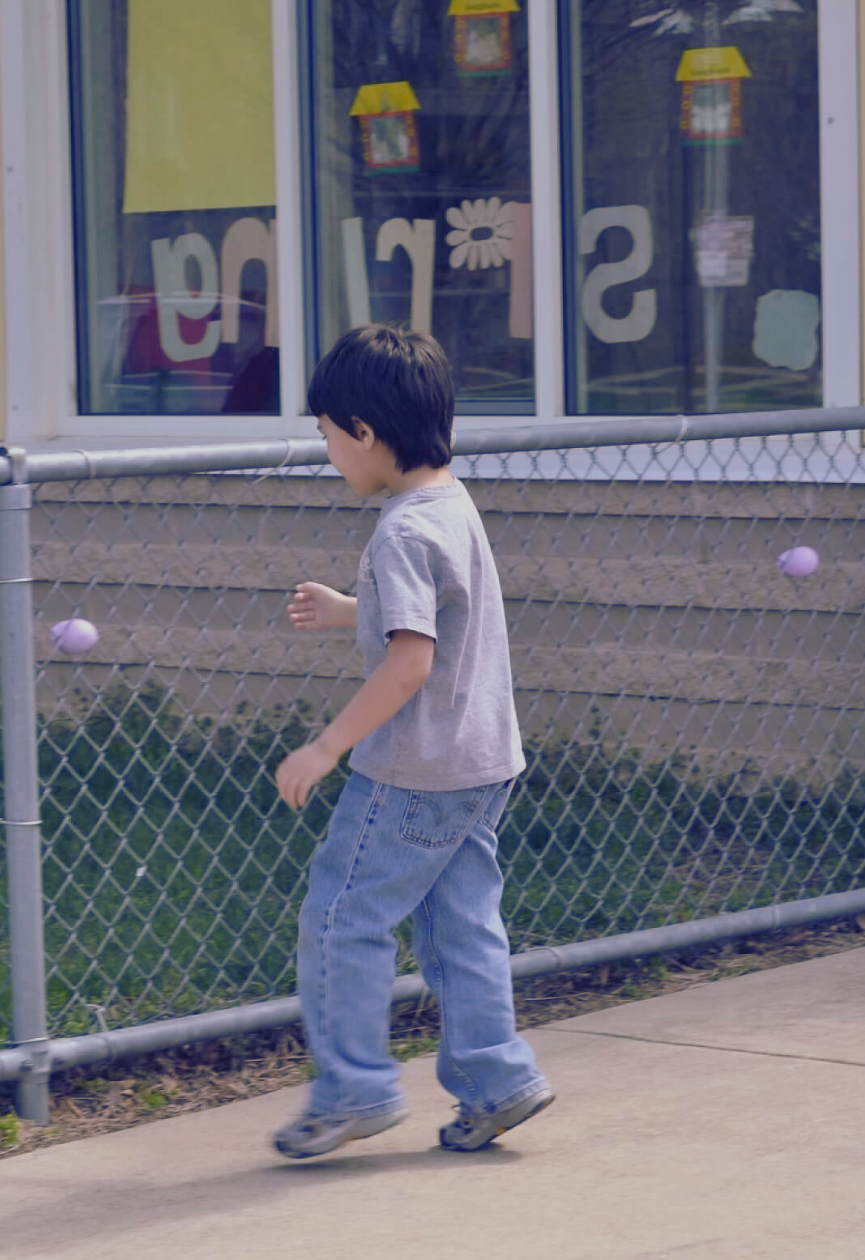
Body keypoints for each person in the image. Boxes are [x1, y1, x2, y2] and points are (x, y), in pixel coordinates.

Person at [268, 324, 554, 1159]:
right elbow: (438, 618)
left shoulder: (399, 531)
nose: (329, 455)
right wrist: (349, 611)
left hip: (412, 771)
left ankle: (352, 1090)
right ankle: (497, 1080)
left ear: (364, 432)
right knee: (462, 927)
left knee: (341, 918)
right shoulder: (451, 505)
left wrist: (325, 748)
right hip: (481, 761)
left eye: (328, 437)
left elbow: (411, 662)